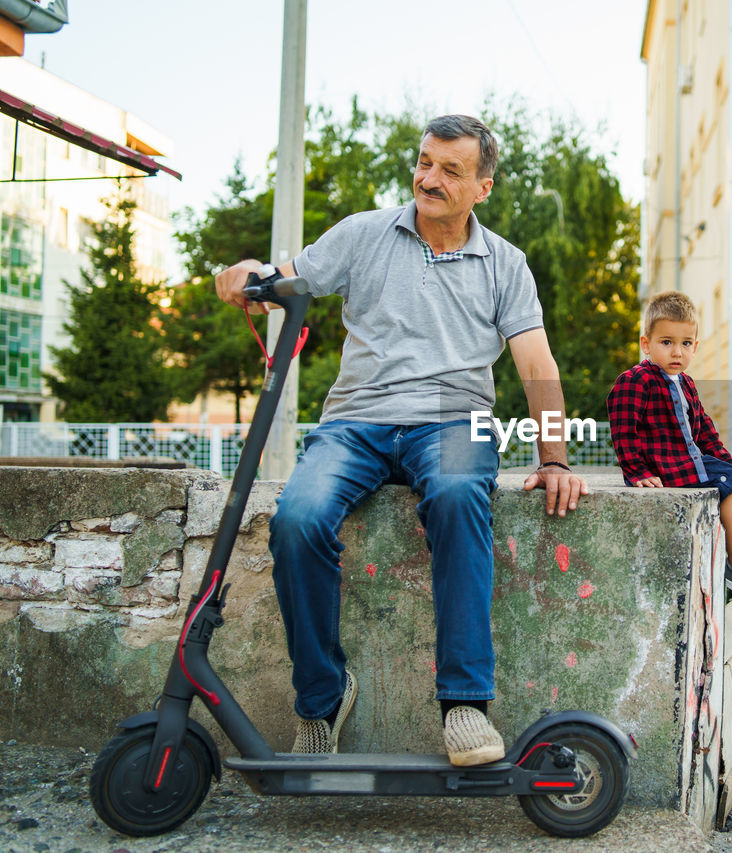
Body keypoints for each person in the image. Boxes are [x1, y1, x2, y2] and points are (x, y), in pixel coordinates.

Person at [214, 115, 588, 765]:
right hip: (356, 417)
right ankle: (323, 699)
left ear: (483, 188)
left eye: (450, 170)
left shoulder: (505, 263)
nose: (429, 178)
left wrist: (553, 456)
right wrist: (248, 271)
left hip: (452, 414)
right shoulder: (364, 234)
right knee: (297, 517)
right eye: (424, 162)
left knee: (454, 494)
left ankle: (466, 703)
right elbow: (285, 279)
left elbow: (537, 364)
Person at [606, 292, 732, 606]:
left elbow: (704, 430)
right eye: (667, 342)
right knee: (729, 486)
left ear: (695, 347)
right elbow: (623, 431)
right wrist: (637, 472)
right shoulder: (636, 381)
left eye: (686, 343)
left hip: (692, 462)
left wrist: (727, 463)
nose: (677, 351)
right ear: (646, 344)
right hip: (668, 467)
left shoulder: (685, 383)